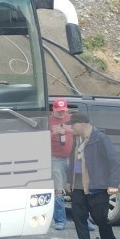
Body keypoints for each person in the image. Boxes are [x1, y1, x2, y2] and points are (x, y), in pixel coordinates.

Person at [67, 111, 120, 239]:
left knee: (100, 219)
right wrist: (68, 180)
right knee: (78, 217)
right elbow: (73, 161)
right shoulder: (76, 139)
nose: (71, 127)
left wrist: (113, 184)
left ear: (83, 123)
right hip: (79, 186)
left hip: (97, 186)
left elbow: (114, 161)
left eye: (73, 124)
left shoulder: (100, 138)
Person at [49, 98, 72, 230]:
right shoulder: (48, 121)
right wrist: (54, 133)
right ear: (53, 109)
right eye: (59, 111)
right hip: (56, 158)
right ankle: (60, 220)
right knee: (58, 189)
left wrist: (67, 131)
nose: (61, 113)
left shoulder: (71, 118)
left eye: (63, 110)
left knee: (77, 189)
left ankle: (84, 220)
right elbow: (41, 138)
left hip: (72, 157)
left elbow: (81, 131)